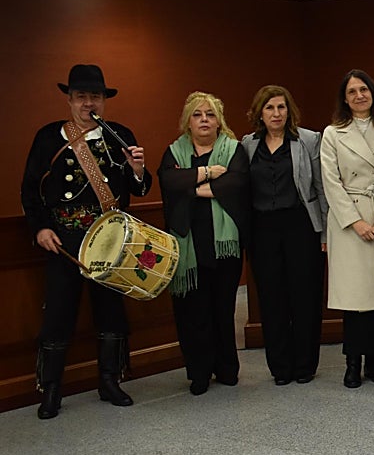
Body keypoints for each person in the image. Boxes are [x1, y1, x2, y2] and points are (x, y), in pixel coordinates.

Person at [21, 64, 152, 418]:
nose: (88, 103)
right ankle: (51, 390)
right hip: (64, 240)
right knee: (59, 313)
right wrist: (40, 228)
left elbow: (139, 189)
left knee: (110, 310)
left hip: (110, 240)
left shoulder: (119, 134)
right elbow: (30, 190)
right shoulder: (48, 137)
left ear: (104, 100)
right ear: (69, 99)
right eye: (81, 97)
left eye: (95, 96)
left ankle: (110, 380)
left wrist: (137, 169)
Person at [160, 92, 251, 396]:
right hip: (187, 244)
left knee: (222, 309)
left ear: (219, 120)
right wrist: (208, 174)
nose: (204, 120)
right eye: (197, 114)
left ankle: (226, 368)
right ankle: (198, 372)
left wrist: (192, 188)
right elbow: (169, 182)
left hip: (223, 246)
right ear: (188, 120)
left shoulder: (233, 149)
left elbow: (237, 183)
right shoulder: (174, 151)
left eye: (210, 115)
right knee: (193, 311)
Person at [322, 69, 374, 389]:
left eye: (364, 90)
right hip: (350, 223)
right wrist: (356, 221)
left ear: (373, 93)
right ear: (345, 98)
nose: (359, 96)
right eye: (352, 91)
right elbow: (330, 181)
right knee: (356, 300)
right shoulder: (333, 133)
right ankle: (352, 362)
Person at [241, 85, 326, 386]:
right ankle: (280, 367)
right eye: (269, 108)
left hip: (300, 225)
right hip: (263, 230)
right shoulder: (248, 144)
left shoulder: (308, 140)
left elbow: (320, 187)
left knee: (305, 297)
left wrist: (325, 232)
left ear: (289, 111)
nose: (276, 114)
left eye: (281, 107)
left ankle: (304, 366)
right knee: (272, 298)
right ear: (259, 113)